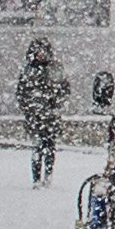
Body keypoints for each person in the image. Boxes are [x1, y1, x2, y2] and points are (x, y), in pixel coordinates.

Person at [17, 38, 70, 186]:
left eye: (43, 51)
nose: (41, 54)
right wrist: (30, 108)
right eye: (38, 51)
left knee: (50, 147)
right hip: (35, 117)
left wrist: (55, 101)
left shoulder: (55, 69)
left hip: (51, 117)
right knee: (37, 147)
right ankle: (36, 178)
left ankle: (47, 176)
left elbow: (65, 89)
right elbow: (21, 93)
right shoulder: (28, 71)